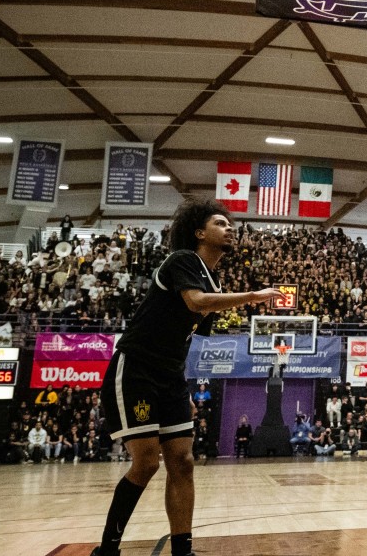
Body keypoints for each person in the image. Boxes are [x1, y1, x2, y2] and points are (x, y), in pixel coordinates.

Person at [91, 197, 284, 556]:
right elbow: (196, 302)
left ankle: (182, 550)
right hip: (137, 368)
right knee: (147, 461)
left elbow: (186, 337)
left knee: (183, 461)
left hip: (170, 375)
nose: (230, 229)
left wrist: (187, 389)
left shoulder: (212, 277)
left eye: (230, 225)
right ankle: (107, 549)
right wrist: (253, 296)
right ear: (199, 232)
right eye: (220, 224)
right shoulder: (184, 260)